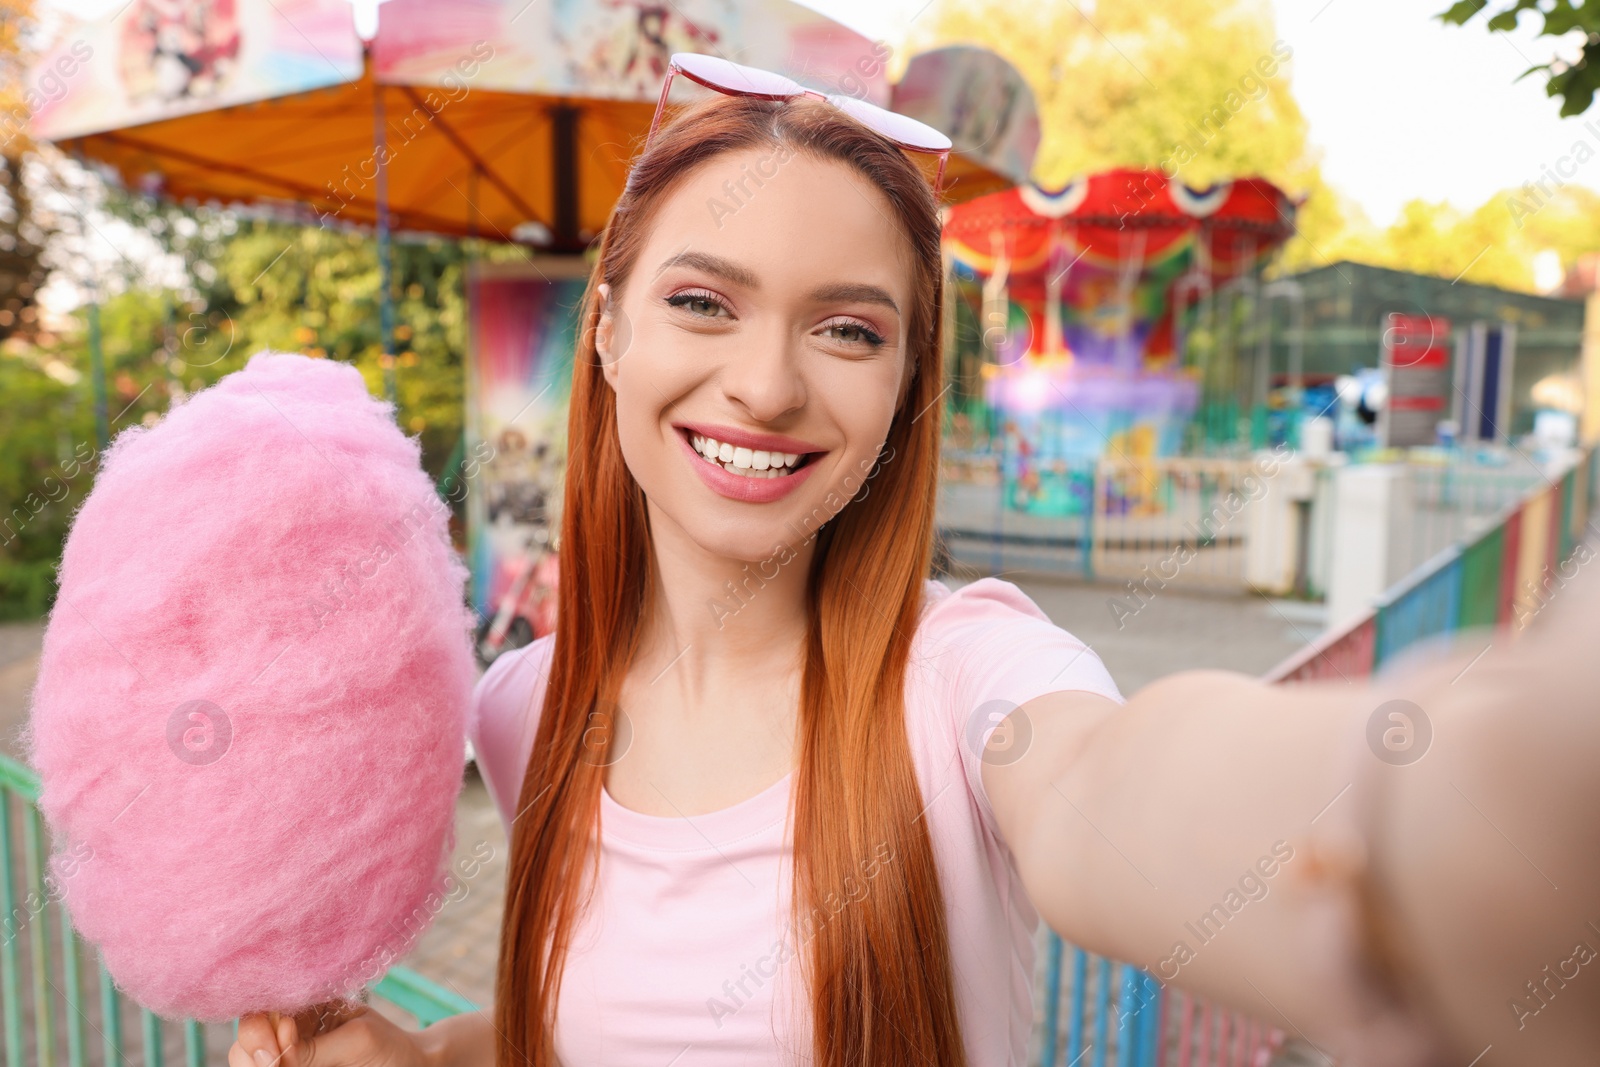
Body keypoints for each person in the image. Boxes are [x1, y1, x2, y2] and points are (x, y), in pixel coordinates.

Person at [230, 68, 1600, 1067]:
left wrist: (1441, 818)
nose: (764, 385)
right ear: (608, 332)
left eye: (848, 329)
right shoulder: (525, 706)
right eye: (703, 302)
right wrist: (423, 1059)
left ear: (905, 387)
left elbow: (1104, 788)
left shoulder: (965, 679)